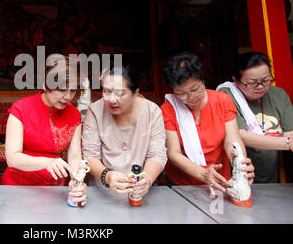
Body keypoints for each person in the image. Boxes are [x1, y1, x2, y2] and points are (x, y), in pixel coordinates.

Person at [160, 52, 255, 196]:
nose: (191, 97)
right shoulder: (167, 109)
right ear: (173, 91)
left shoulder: (222, 101)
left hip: (221, 179)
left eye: (195, 89)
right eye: (181, 93)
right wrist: (203, 174)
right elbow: (173, 153)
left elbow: (232, 140)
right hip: (182, 184)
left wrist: (239, 163)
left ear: (203, 81)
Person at [3, 56, 87, 206]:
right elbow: (12, 158)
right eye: (61, 89)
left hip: (54, 191)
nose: (68, 97)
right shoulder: (20, 109)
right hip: (18, 188)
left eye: (72, 90)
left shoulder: (74, 114)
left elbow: (74, 156)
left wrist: (77, 180)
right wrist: (47, 162)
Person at [82, 65, 167, 199]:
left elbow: (157, 154)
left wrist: (147, 180)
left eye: (120, 94)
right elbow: (89, 155)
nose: (111, 99)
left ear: (135, 93)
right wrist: (107, 176)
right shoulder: (95, 111)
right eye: (106, 91)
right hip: (103, 193)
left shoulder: (152, 111)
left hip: (139, 193)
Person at [217, 51, 293, 183]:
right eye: (252, 82)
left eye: (266, 80)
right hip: (234, 179)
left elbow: (290, 133)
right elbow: (240, 135)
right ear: (236, 80)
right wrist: (288, 143)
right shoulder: (226, 95)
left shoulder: (279, 95)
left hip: (270, 179)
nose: (260, 87)